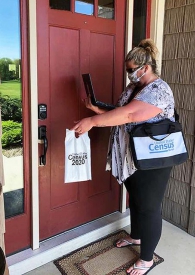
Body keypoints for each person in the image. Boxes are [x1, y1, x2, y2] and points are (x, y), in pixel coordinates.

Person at [71, 39, 174, 275]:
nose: (129, 75)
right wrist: (99, 110)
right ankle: (136, 237)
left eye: (131, 70)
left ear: (145, 68)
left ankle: (146, 259)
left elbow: (129, 114)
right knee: (136, 201)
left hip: (152, 160)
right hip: (130, 159)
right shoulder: (133, 89)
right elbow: (120, 110)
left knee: (149, 207)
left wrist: (92, 122)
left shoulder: (159, 90)